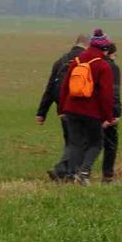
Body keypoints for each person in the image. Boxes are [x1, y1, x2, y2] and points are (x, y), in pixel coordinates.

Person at [57, 28, 116, 186]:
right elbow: (106, 95)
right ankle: (84, 173)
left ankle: (70, 175)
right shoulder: (103, 66)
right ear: (104, 48)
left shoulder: (77, 61)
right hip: (92, 112)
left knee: (75, 143)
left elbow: (65, 86)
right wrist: (108, 117)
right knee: (96, 143)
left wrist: (62, 108)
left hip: (71, 109)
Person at [37, 33, 89, 181]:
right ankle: (62, 170)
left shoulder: (61, 61)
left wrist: (42, 112)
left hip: (62, 109)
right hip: (79, 108)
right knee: (79, 142)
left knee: (70, 141)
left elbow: (50, 88)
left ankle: (68, 174)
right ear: (88, 45)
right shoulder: (86, 61)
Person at [100, 40, 122, 183]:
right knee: (110, 144)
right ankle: (107, 176)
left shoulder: (92, 64)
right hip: (107, 112)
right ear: (111, 53)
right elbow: (114, 92)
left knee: (88, 143)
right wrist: (115, 113)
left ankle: (79, 172)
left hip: (89, 111)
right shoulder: (112, 68)